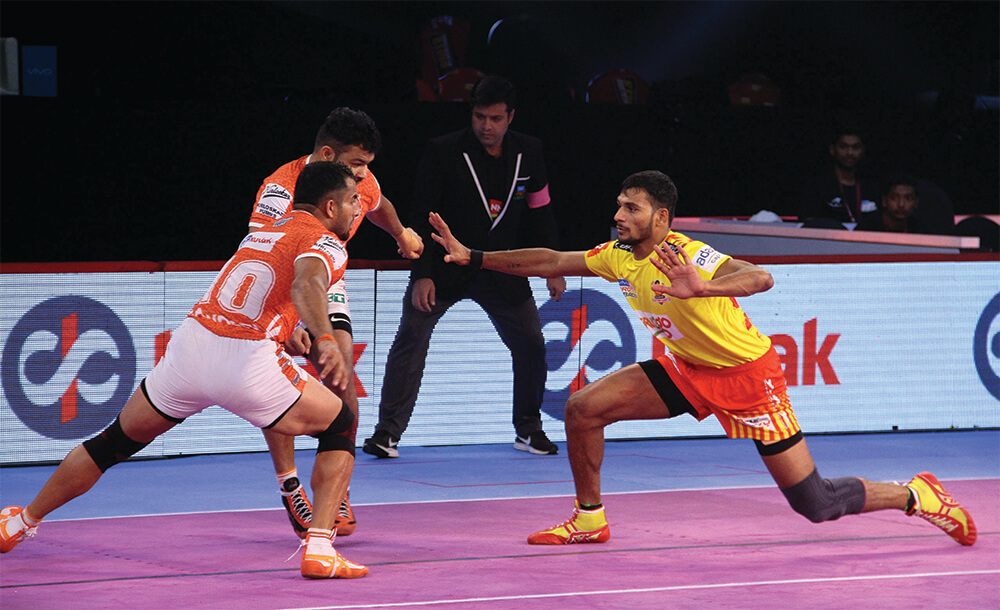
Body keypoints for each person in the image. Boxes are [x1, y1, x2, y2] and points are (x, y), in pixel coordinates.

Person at [428, 170, 977, 548]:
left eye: (631, 208)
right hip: (689, 370)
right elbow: (551, 259)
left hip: (748, 377)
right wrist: (473, 256)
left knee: (816, 502)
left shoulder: (691, 254)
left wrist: (701, 288)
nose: (618, 215)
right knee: (583, 409)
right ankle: (589, 519)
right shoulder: (618, 256)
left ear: (661, 216)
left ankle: (917, 494)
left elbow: (760, 277)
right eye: (619, 205)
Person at [1, 162, 372, 578]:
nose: (357, 208)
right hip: (245, 362)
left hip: (190, 348)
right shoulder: (326, 241)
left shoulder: (264, 231)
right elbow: (306, 285)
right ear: (329, 206)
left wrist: (287, 332)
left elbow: (256, 295)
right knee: (341, 423)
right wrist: (325, 338)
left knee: (112, 443)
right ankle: (320, 548)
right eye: (352, 200)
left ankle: (19, 522)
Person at [362, 75, 566, 459]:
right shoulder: (443, 151)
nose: (486, 126)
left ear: (510, 117)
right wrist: (422, 274)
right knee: (411, 338)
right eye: (479, 117)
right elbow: (421, 215)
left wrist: (553, 266)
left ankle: (528, 429)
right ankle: (386, 434)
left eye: (495, 118)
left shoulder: (530, 152)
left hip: (502, 266)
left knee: (531, 344)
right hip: (444, 266)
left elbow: (541, 212)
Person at [249, 107, 424, 539]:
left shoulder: (361, 181)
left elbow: (379, 205)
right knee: (275, 386)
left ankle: (337, 487)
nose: (363, 175)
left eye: (367, 165)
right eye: (357, 163)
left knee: (341, 372)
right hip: (278, 285)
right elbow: (260, 254)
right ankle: (290, 486)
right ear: (328, 154)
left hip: (326, 278)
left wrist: (401, 233)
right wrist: (289, 323)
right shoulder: (279, 189)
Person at [797, 123, 881, 227]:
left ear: (863, 151)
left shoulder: (871, 188)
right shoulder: (818, 186)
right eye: (843, 147)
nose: (850, 152)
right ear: (832, 150)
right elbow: (810, 224)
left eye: (855, 147)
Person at [856, 173, 926, 233]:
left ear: (916, 202)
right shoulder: (867, 228)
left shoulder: (920, 230)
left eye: (908, 199)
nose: (901, 204)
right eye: (894, 198)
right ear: (884, 201)